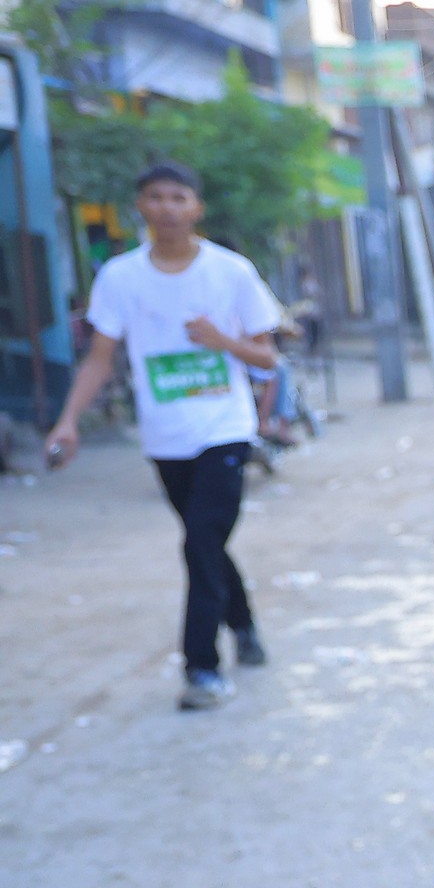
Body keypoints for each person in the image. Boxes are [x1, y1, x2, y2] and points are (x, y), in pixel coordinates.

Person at [42, 160, 286, 710]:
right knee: (207, 542)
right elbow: (99, 358)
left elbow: (268, 357)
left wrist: (222, 340)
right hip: (165, 438)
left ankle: (202, 669)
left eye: (178, 197)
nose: (167, 207)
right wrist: (68, 420)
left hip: (224, 429)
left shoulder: (231, 272)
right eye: (156, 197)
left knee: (199, 542)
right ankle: (244, 623)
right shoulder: (120, 278)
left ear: (197, 207)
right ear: (141, 207)